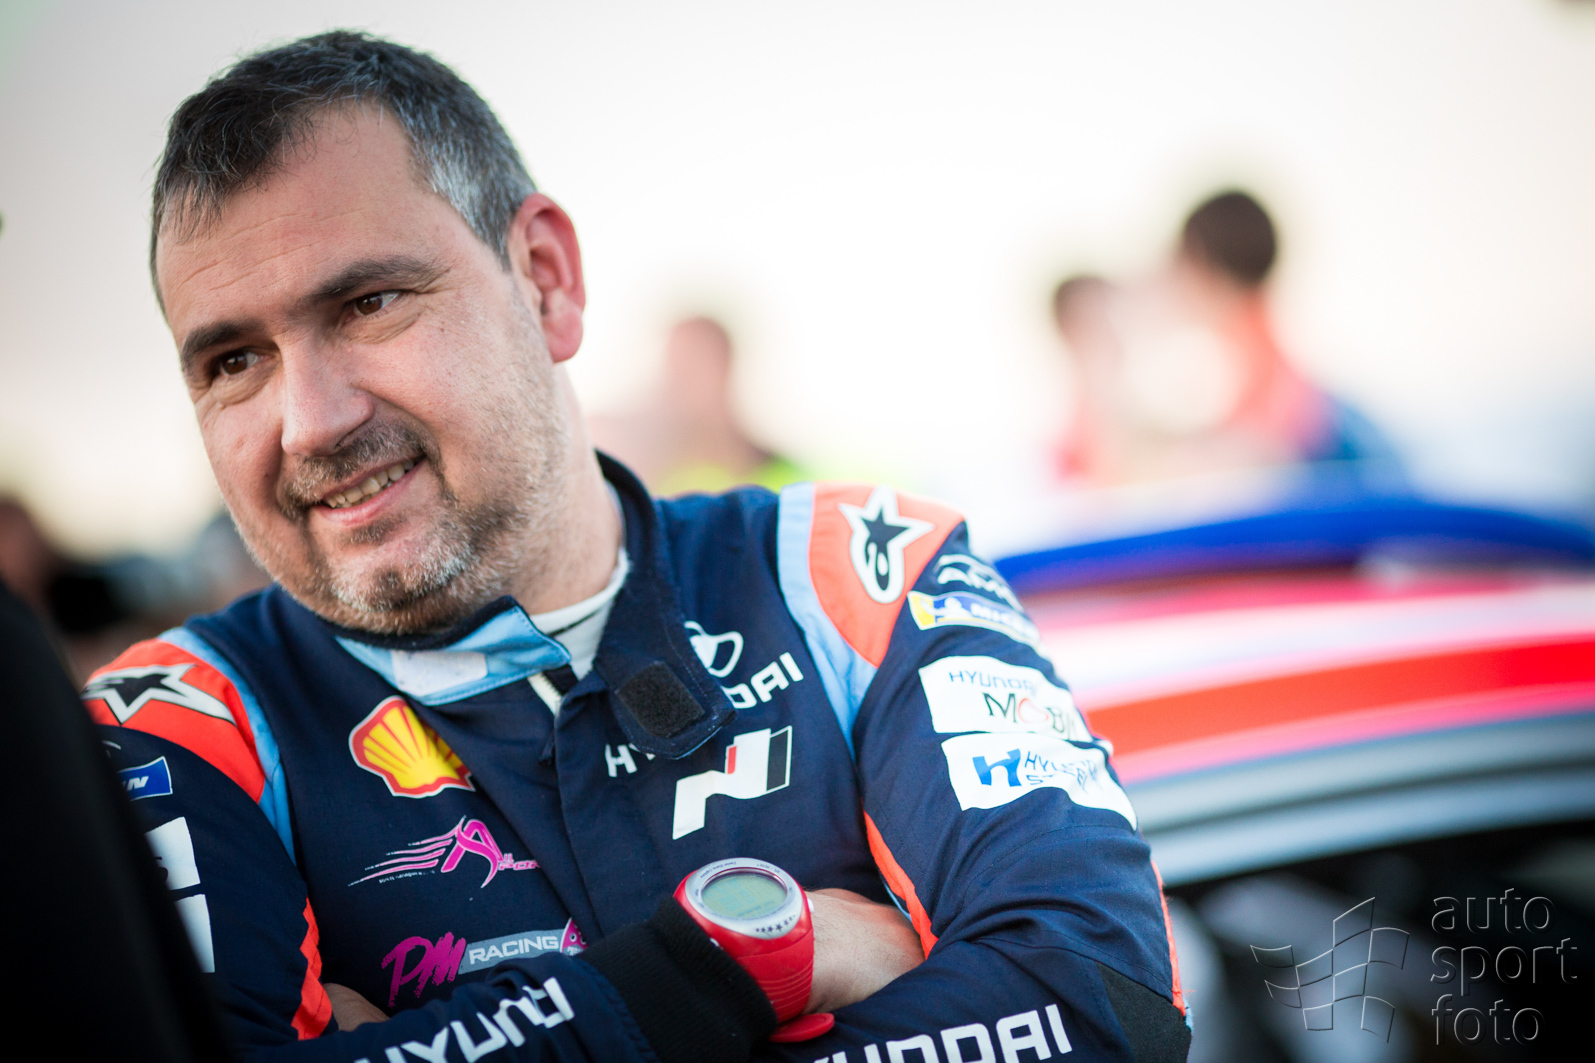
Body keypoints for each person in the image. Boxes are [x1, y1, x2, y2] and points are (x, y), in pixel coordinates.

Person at [83, 31, 1188, 1063]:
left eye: (369, 303)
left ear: (545, 280)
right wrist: (745, 960)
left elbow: (1105, 1005)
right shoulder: (169, 725)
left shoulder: (860, 569)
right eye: (233, 362)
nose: (311, 421)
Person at [589, 316, 806, 496]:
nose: (675, 385)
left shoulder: (791, 481)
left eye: (690, 366)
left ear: (723, 368)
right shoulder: (663, 484)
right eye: (673, 369)